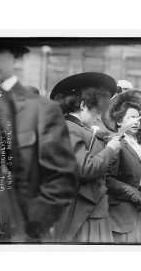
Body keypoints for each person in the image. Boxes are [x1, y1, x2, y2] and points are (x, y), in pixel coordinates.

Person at [0, 40, 78, 242]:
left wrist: (28, 227)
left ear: (14, 55)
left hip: (14, 234)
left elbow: (62, 180)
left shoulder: (40, 109)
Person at [50, 72, 121, 242]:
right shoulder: (70, 128)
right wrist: (110, 150)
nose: (99, 117)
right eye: (97, 111)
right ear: (83, 105)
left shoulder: (77, 128)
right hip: (84, 214)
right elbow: (84, 168)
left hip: (91, 210)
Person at [102, 89, 141, 243]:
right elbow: (106, 178)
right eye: (131, 118)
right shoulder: (117, 143)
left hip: (135, 211)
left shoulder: (134, 144)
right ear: (120, 121)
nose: (136, 122)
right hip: (121, 214)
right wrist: (131, 192)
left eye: (138, 118)